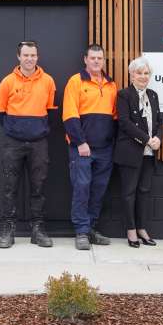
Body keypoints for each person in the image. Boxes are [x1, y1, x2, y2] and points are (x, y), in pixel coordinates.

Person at [0, 40, 57, 249]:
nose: (30, 59)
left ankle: (37, 230)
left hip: (39, 143)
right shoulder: (7, 82)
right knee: (10, 187)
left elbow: (51, 112)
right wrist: (16, 130)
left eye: (33, 55)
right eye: (26, 55)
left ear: (38, 57)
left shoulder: (48, 81)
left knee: (39, 187)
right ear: (18, 57)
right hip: (13, 143)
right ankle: (8, 229)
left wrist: (35, 130)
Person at [63, 44, 118, 250]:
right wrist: (80, 142)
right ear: (85, 59)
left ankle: (91, 228)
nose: (96, 61)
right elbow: (70, 115)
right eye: (93, 58)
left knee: (98, 190)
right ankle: (81, 232)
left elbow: (114, 117)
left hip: (105, 149)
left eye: (100, 58)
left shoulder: (111, 84)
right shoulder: (76, 82)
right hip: (82, 148)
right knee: (82, 189)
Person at [113, 56, 163, 248]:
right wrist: (146, 139)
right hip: (130, 151)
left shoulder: (153, 95)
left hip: (150, 152)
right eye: (139, 73)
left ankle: (142, 228)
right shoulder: (124, 95)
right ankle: (131, 230)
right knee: (129, 193)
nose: (143, 76)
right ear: (131, 75)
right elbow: (124, 123)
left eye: (146, 73)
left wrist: (158, 137)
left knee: (144, 191)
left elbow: (159, 120)